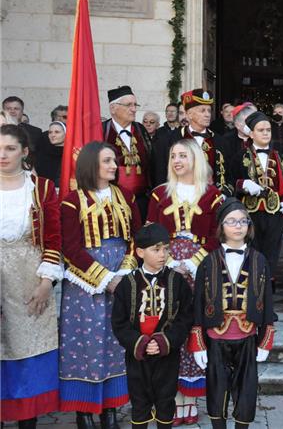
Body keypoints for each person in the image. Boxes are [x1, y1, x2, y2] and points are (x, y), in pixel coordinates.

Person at [59, 141, 141, 429]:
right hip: (86, 281)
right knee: (86, 342)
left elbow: (136, 239)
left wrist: (125, 273)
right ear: (91, 165)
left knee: (117, 342)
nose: (113, 166)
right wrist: (105, 278)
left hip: (122, 274)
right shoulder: (71, 200)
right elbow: (70, 246)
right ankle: (84, 410)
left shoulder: (127, 196)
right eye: (107, 161)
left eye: (114, 161)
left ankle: (111, 408)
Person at [146, 138, 223, 424]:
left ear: (195, 159)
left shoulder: (212, 195)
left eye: (183, 155)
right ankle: (167, 399)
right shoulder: (159, 195)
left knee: (193, 328)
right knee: (166, 327)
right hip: (164, 268)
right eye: (173, 156)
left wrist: (191, 262)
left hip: (200, 269)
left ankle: (188, 400)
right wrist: (167, 263)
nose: (177, 161)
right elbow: (150, 232)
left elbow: (218, 235)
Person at [188, 199, 275, 429]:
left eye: (243, 221)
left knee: (246, 390)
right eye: (232, 221)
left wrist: (266, 340)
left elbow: (267, 302)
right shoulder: (207, 262)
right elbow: (197, 303)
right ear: (221, 227)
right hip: (216, 339)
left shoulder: (260, 261)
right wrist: (198, 343)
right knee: (216, 391)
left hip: (247, 338)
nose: (238, 226)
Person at [0, 124, 62, 428]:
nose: (3, 155)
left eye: (10, 148)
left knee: (28, 351)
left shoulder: (43, 188)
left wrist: (46, 282)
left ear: (25, 152)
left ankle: (28, 421)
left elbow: (53, 238)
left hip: (30, 278)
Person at [111, 224, 193, 429]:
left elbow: (185, 317)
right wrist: (139, 342)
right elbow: (119, 323)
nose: (163, 254)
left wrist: (165, 341)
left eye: (166, 249)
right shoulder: (127, 284)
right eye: (156, 250)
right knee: (139, 403)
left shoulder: (177, 281)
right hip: (137, 355)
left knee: (166, 402)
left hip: (167, 354)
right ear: (140, 252)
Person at [232, 112, 283, 285]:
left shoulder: (279, 157)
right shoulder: (240, 156)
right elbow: (229, 181)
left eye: (268, 130)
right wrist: (243, 184)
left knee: (272, 252)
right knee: (252, 250)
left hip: (274, 212)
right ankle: (251, 287)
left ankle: (268, 289)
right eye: (261, 130)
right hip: (250, 213)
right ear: (251, 134)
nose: (266, 133)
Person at [155, 90, 231, 196]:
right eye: (202, 111)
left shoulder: (221, 141)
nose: (207, 115)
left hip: (211, 200)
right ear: (189, 114)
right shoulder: (168, 141)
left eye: (209, 111)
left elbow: (229, 175)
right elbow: (160, 175)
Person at [102, 86, 153, 220]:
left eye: (135, 105)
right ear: (113, 108)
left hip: (142, 201)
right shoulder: (102, 131)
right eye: (129, 105)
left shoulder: (140, 130)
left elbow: (151, 161)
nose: (134, 109)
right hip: (112, 201)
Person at [220, 102, 257, 169]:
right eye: (247, 122)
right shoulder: (226, 140)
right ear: (237, 124)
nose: (250, 125)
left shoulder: (257, 138)